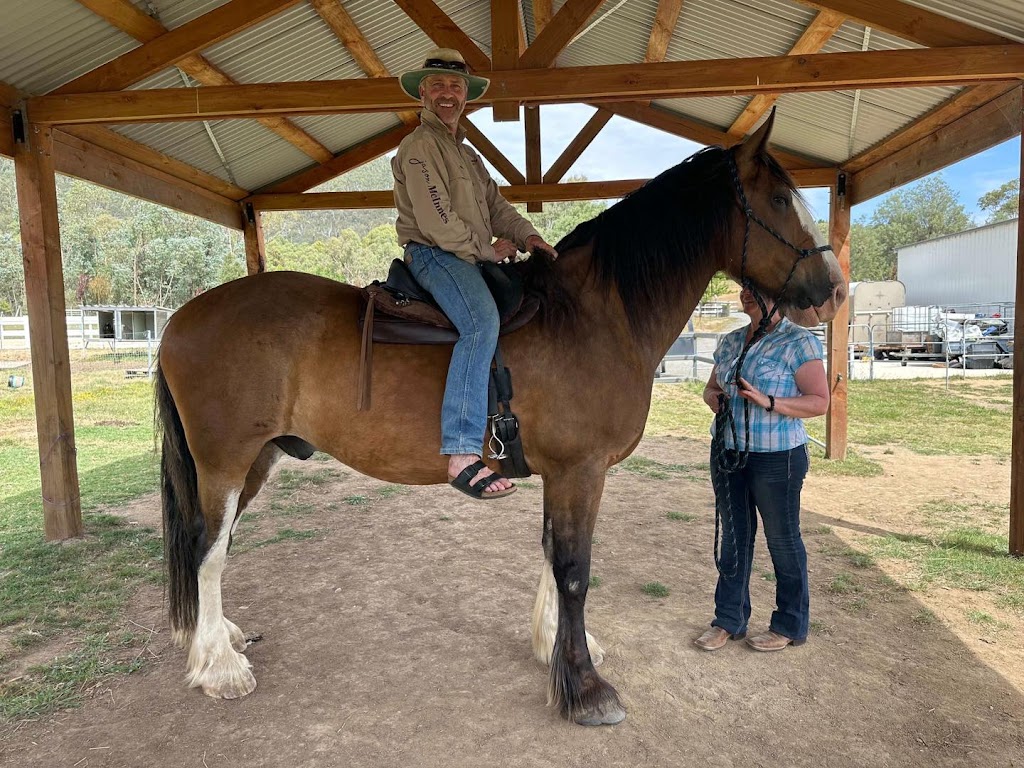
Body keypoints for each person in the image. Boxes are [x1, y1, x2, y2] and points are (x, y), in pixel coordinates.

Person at [392, 48, 558, 500]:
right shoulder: (419, 147)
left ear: (466, 95)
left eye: (456, 87)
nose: (447, 94)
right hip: (435, 255)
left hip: (467, 255)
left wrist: (528, 238)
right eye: (438, 86)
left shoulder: (467, 155)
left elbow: (496, 207)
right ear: (423, 93)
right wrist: (486, 250)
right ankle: (463, 452)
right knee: (481, 322)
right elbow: (436, 219)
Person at [694, 287, 830, 652]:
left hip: (777, 457)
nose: (747, 294)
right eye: (745, 289)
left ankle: (789, 624)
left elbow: (819, 402)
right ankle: (728, 620)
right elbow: (709, 388)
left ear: (778, 297)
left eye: (757, 290)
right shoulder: (730, 341)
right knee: (734, 539)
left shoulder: (799, 343)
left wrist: (768, 401)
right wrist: (715, 399)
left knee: (783, 541)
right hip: (727, 453)